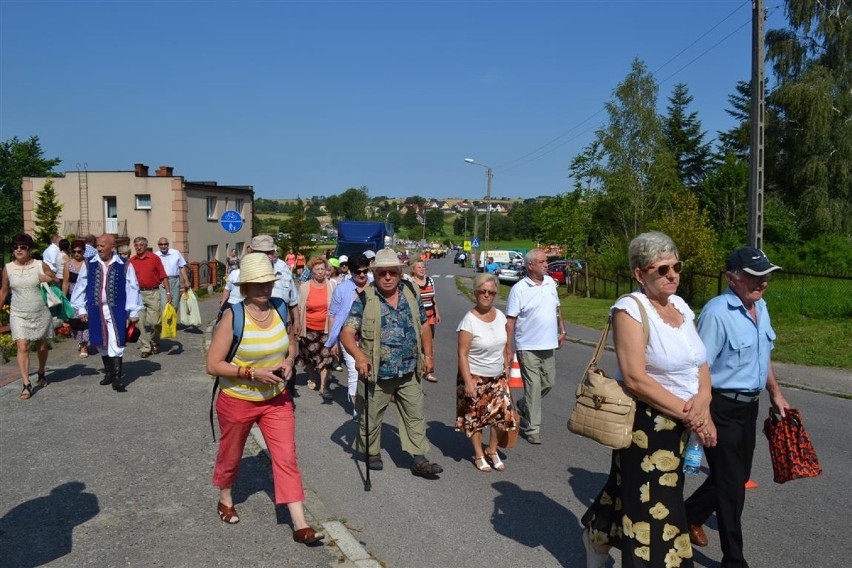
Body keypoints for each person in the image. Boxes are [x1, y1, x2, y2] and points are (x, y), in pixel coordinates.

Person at [581, 231, 715, 568]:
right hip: (646, 426)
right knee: (656, 511)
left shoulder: (680, 306)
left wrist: (705, 400)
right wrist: (692, 414)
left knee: (631, 495)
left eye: (677, 266)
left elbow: (699, 360)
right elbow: (637, 379)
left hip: (683, 422)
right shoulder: (630, 310)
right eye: (662, 269)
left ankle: (597, 536)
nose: (673, 275)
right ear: (640, 274)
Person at [205, 253, 324, 545]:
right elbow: (213, 365)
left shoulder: (281, 308)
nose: (264, 289)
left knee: (286, 458)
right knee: (231, 454)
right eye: (257, 284)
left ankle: (300, 523)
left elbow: (291, 344)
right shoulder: (234, 316)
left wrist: (290, 360)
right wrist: (251, 372)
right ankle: (225, 498)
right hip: (237, 399)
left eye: (268, 283)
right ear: (244, 287)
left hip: (276, 399)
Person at [684, 248, 790, 568]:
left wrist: (776, 393)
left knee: (736, 475)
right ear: (732, 278)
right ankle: (734, 559)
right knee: (732, 487)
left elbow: (763, 354)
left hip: (750, 407)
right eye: (755, 277)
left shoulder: (761, 306)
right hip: (721, 405)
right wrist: (703, 417)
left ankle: (687, 516)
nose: (763, 283)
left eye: (766, 276)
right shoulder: (717, 314)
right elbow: (699, 367)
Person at [339, 247, 443, 478]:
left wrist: (428, 356)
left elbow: (424, 324)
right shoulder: (365, 298)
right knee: (372, 416)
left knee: (415, 414)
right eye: (382, 272)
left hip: (409, 370)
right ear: (375, 274)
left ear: (399, 273)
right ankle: (371, 451)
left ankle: (419, 459)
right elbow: (347, 333)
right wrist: (359, 356)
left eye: (392, 272)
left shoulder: (410, 292)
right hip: (377, 372)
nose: (387, 277)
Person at [456, 272, 517, 472]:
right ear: (475, 292)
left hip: (497, 376)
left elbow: (503, 345)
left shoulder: (500, 316)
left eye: (491, 292)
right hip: (475, 376)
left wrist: (507, 366)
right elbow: (462, 354)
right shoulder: (469, 321)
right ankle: (479, 454)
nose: (486, 295)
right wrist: (468, 383)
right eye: (482, 291)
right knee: (476, 419)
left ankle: (492, 450)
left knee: (502, 417)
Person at [505, 248, 566, 445]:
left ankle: (524, 404)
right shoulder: (519, 289)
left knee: (548, 382)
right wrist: (508, 347)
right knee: (533, 385)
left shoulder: (550, 283)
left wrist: (562, 330)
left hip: (548, 343)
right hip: (527, 345)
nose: (546, 264)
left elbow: (557, 309)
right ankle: (532, 429)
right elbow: (511, 321)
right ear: (530, 265)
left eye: (546, 261)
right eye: (542, 261)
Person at [70, 234, 142, 393]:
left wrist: (133, 311)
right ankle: (109, 372)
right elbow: (80, 287)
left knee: (116, 340)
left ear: (112, 247)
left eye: (102, 245)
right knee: (100, 340)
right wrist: (81, 309)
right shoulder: (89, 264)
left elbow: (132, 288)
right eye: (97, 245)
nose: (99, 248)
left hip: (117, 309)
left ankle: (117, 378)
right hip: (95, 309)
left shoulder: (124, 264)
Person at [0, 233, 57, 400]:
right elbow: (4, 291)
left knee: (41, 346)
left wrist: (48, 278)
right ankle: (26, 384)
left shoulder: (40, 264)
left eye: (22, 247)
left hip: (40, 312)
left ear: (29, 250)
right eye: (15, 247)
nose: (18, 250)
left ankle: (41, 371)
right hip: (18, 313)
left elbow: (56, 280)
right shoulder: (8, 268)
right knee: (23, 346)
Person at [324, 253, 370, 420]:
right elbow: (332, 315)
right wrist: (333, 341)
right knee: (354, 371)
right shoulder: (342, 289)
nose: (362, 275)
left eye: (365, 271)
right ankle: (358, 410)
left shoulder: (374, 286)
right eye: (358, 272)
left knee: (370, 371)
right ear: (350, 272)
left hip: (371, 336)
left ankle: (370, 404)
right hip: (349, 336)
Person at [297, 256, 336, 400]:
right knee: (310, 358)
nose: (320, 272)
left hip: (326, 329)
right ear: (312, 271)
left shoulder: (332, 286)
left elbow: (336, 307)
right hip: (309, 329)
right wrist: (298, 328)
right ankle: (312, 377)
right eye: (317, 269)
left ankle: (323, 387)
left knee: (326, 358)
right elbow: (300, 308)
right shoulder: (304, 287)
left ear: (326, 271)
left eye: (322, 269)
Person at [249, 235, 301, 335]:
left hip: (283, 326)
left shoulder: (283, 270)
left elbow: (293, 300)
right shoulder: (245, 275)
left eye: (270, 252)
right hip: (254, 330)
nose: (267, 256)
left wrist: (297, 321)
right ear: (252, 253)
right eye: (262, 252)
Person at [128, 236, 170, 358]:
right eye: (136, 245)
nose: (138, 247)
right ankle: (145, 347)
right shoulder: (132, 261)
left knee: (155, 322)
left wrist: (168, 293)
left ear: (146, 246)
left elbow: (163, 276)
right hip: (137, 295)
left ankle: (155, 340)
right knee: (139, 323)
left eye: (141, 245)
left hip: (153, 293)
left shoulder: (154, 258)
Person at [407, 259, 442, 382]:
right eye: (419, 267)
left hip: (430, 316)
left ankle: (428, 372)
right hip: (416, 317)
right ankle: (415, 369)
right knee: (416, 343)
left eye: (423, 267)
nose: (422, 269)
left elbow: (433, 298)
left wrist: (437, 313)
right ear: (413, 270)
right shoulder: (410, 282)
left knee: (429, 345)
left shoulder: (430, 280)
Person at [62, 239, 90, 358]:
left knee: (86, 322)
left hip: (86, 296)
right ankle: (80, 341)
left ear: (84, 251)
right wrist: (63, 299)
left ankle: (84, 345)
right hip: (73, 296)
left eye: (79, 251)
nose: (77, 254)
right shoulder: (68, 265)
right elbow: (65, 283)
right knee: (75, 322)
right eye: (74, 251)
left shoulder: (88, 264)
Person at [155, 237, 191, 313]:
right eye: (161, 244)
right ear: (158, 245)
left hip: (175, 281)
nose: (163, 246)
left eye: (165, 244)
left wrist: (186, 281)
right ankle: (165, 324)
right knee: (165, 304)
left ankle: (172, 324)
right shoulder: (156, 256)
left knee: (175, 304)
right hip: (162, 282)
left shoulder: (175, 253)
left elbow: (182, 267)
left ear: (168, 245)